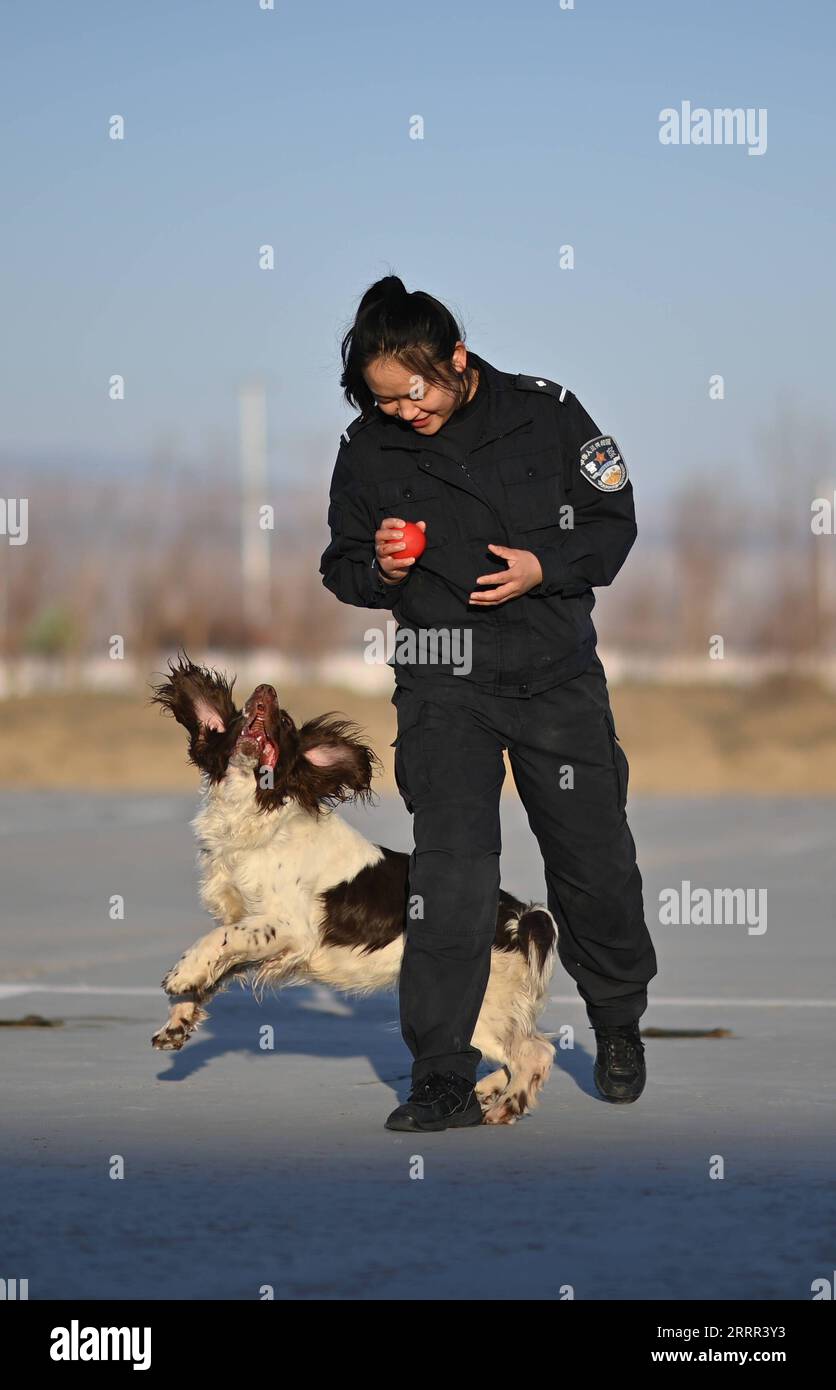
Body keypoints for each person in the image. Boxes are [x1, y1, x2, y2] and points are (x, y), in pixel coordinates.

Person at [320, 275, 657, 1131]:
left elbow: (612, 519)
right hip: (442, 677)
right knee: (451, 876)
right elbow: (342, 565)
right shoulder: (367, 450)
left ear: (456, 360)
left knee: (593, 860)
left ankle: (617, 1018)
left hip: (553, 673)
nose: (404, 411)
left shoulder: (545, 414)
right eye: (385, 399)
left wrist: (547, 565)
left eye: (415, 391)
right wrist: (383, 570)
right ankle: (439, 1070)